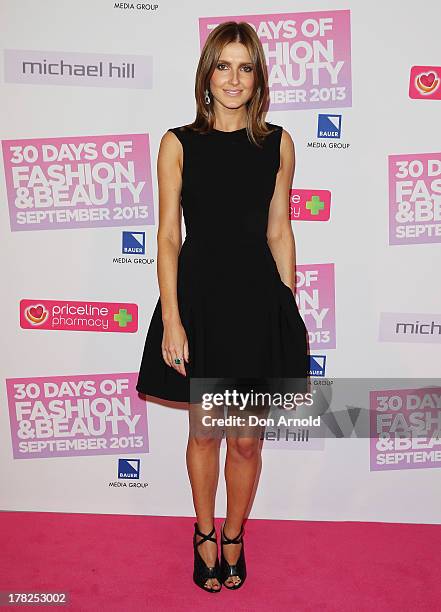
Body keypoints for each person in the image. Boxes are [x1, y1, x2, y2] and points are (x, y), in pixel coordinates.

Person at [136, 21, 309, 592]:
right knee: (207, 433)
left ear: (258, 76)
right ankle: (205, 532)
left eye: (246, 66)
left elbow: (280, 231)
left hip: (258, 303)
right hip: (202, 302)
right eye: (223, 65)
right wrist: (174, 318)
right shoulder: (178, 143)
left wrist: (284, 308)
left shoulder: (278, 142)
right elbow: (167, 238)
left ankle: (235, 534)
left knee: (247, 439)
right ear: (206, 74)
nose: (233, 78)